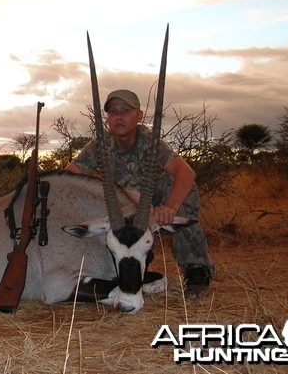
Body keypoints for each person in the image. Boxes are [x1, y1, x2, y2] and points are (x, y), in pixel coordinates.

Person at [65, 89, 214, 298]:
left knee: (181, 188)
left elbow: (186, 173)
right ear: (106, 117)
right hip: (119, 215)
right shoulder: (99, 145)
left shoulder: (150, 142)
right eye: (113, 112)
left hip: (152, 212)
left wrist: (170, 208)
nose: (118, 116)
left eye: (125, 111)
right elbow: (70, 176)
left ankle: (196, 272)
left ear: (139, 115)